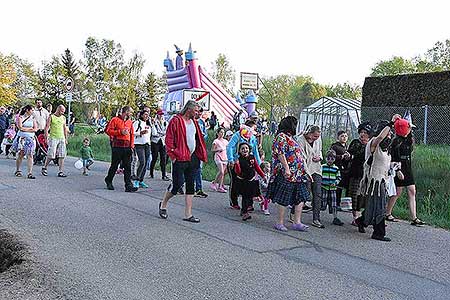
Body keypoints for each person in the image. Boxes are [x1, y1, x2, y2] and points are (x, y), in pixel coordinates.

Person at [158, 100, 207, 223]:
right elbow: (168, 139)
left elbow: (197, 139)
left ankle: (188, 214)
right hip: (180, 158)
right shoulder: (176, 121)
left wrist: (200, 154)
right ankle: (163, 204)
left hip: (192, 158)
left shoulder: (194, 122)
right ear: (189, 109)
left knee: (191, 186)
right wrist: (173, 156)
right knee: (177, 185)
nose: (197, 113)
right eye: (195, 111)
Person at [355, 116, 398, 242]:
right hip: (374, 181)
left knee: (373, 205)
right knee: (380, 207)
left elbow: (385, 163)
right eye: (388, 133)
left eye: (390, 134)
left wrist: (394, 167)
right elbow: (380, 137)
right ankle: (378, 233)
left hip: (382, 180)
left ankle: (361, 221)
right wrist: (391, 123)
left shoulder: (385, 149)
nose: (389, 136)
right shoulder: (374, 143)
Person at [267, 116, 310, 232]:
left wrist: (306, 171)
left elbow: (299, 155)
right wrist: (286, 168)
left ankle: (297, 222)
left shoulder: (291, 138)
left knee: (301, 197)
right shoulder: (281, 137)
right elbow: (280, 154)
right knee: (284, 198)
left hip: (298, 174)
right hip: (287, 173)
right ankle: (279, 222)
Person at [386, 118, 425, 226]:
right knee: (397, 192)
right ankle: (387, 212)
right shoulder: (396, 142)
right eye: (408, 128)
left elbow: (410, 150)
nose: (410, 130)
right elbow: (393, 157)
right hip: (398, 167)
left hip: (407, 167)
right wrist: (398, 170)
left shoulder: (408, 139)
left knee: (412, 190)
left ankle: (414, 217)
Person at [227, 120, 261, 209]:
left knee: (250, 183)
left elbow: (255, 151)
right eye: (253, 128)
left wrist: (259, 163)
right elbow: (229, 147)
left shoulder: (252, 137)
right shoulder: (237, 135)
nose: (254, 130)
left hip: (248, 163)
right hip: (236, 162)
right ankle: (234, 202)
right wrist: (231, 160)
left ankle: (249, 204)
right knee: (235, 182)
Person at [294, 125, 324, 228]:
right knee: (304, 193)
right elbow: (301, 158)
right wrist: (307, 173)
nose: (316, 138)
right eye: (315, 136)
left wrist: (319, 157)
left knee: (318, 193)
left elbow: (320, 150)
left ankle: (316, 218)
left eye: (318, 136)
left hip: (316, 169)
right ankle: (294, 213)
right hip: (305, 170)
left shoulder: (318, 139)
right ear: (310, 133)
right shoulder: (300, 140)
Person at [104, 106, 138, 192]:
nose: (131, 114)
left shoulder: (130, 122)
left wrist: (131, 146)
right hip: (117, 146)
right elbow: (108, 131)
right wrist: (120, 132)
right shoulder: (115, 120)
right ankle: (109, 180)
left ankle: (128, 185)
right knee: (115, 165)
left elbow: (132, 134)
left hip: (127, 146)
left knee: (127, 166)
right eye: (130, 112)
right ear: (126, 112)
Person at [234, 142, 266, 221]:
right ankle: (245, 213)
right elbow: (238, 172)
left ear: (249, 149)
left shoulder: (252, 157)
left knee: (249, 196)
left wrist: (263, 176)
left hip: (251, 180)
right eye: (242, 149)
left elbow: (257, 167)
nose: (245, 150)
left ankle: (244, 210)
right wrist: (237, 164)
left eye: (246, 148)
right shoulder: (239, 160)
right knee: (245, 197)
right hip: (243, 181)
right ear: (239, 151)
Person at [347, 122, 371, 225]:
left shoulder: (372, 144)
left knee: (365, 196)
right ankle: (356, 217)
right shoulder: (356, 143)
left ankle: (365, 217)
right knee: (355, 195)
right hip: (356, 173)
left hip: (368, 174)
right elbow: (352, 154)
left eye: (365, 132)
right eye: (361, 132)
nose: (362, 134)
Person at [41, 105, 68, 178]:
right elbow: (46, 128)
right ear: (58, 109)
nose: (62, 113)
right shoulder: (51, 117)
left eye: (63, 111)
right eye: (62, 111)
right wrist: (46, 137)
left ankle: (60, 171)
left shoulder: (63, 118)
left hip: (61, 137)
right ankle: (45, 167)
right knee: (51, 154)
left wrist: (66, 138)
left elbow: (64, 128)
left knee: (62, 155)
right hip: (53, 138)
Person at [12, 105, 37, 179]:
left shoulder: (33, 119)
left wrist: (26, 129)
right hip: (22, 138)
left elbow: (35, 129)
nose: (33, 111)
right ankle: (18, 170)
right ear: (27, 110)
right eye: (32, 110)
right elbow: (20, 127)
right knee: (21, 154)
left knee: (30, 155)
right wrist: (30, 129)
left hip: (31, 139)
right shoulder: (20, 117)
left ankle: (30, 173)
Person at [321, 150, 344, 226]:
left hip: (333, 189)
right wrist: (322, 182)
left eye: (332, 159)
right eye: (328, 158)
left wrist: (335, 183)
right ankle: (318, 215)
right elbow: (320, 176)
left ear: (334, 159)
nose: (330, 160)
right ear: (326, 158)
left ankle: (335, 217)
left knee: (334, 203)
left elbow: (339, 177)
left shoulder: (336, 168)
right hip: (324, 188)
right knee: (323, 202)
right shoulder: (322, 167)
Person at [330, 130, 351, 209]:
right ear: (338, 137)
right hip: (337, 169)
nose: (344, 138)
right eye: (342, 136)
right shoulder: (335, 146)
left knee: (346, 188)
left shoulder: (347, 146)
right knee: (337, 187)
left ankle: (345, 205)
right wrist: (341, 157)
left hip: (346, 170)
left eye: (345, 136)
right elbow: (331, 156)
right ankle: (336, 203)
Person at [133, 110, 151, 188]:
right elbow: (133, 132)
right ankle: (136, 180)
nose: (147, 116)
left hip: (147, 144)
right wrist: (140, 133)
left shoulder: (148, 123)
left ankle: (141, 180)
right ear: (141, 115)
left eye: (148, 115)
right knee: (142, 162)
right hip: (139, 144)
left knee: (146, 163)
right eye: (145, 114)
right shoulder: (137, 123)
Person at [193, 108, 208, 198]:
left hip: (199, 147)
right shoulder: (190, 122)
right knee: (187, 168)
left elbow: (205, 134)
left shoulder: (202, 122)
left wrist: (203, 136)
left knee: (199, 168)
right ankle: (178, 185)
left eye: (200, 113)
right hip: (192, 147)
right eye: (198, 112)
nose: (199, 114)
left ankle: (199, 188)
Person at [149, 109, 169, 180]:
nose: (161, 116)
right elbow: (154, 133)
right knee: (154, 157)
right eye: (160, 114)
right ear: (157, 115)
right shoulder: (154, 122)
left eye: (162, 114)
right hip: (155, 142)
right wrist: (161, 133)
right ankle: (151, 172)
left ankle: (164, 175)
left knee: (163, 158)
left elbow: (167, 131)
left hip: (162, 142)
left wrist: (161, 133)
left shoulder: (165, 122)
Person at [210, 127, 229, 193]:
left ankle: (219, 185)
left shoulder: (226, 141)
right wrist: (218, 149)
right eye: (221, 132)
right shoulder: (216, 141)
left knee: (222, 173)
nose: (222, 134)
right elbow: (212, 149)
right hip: (218, 157)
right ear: (218, 133)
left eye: (223, 132)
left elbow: (228, 149)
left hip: (225, 157)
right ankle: (217, 185)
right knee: (222, 172)